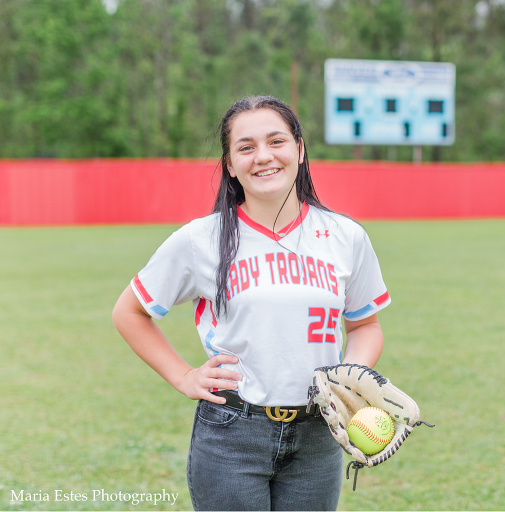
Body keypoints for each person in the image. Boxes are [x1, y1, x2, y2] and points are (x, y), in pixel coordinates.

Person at [112, 96, 391, 511]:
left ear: (299, 148)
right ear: (229, 163)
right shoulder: (200, 239)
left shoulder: (344, 237)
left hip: (320, 432)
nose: (263, 157)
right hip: (232, 431)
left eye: (276, 141)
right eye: (245, 147)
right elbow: (129, 312)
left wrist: (351, 377)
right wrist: (184, 376)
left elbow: (365, 325)